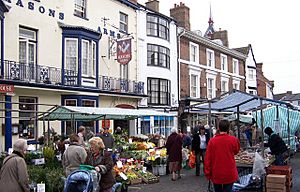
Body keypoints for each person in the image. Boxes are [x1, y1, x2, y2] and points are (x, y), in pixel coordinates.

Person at [205, 119, 240, 192]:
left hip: (216, 172)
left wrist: (208, 173)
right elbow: (236, 151)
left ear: (218, 128)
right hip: (229, 172)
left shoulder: (212, 141)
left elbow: (208, 158)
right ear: (228, 128)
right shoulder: (233, 140)